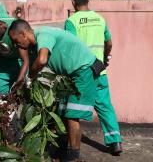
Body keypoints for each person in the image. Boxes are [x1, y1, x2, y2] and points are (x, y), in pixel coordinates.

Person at [8, 19, 104, 161]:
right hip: (70, 75)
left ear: (23, 34)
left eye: (16, 40)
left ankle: (73, 156)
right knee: (62, 112)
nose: (16, 45)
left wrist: (29, 77)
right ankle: (62, 149)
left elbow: (42, 60)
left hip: (83, 70)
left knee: (72, 115)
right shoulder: (35, 45)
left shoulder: (43, 35)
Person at [64, 0, 122, 155]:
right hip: (100, 71)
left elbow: (70, 48)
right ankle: (115, 142)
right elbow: (109, 43)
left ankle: (72, 149)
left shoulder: (72, 21)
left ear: (73, 2)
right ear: (88, 0)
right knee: (105, 107)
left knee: (73, 111)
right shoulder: (99, 19)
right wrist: (104, 58)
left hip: (83, 74)